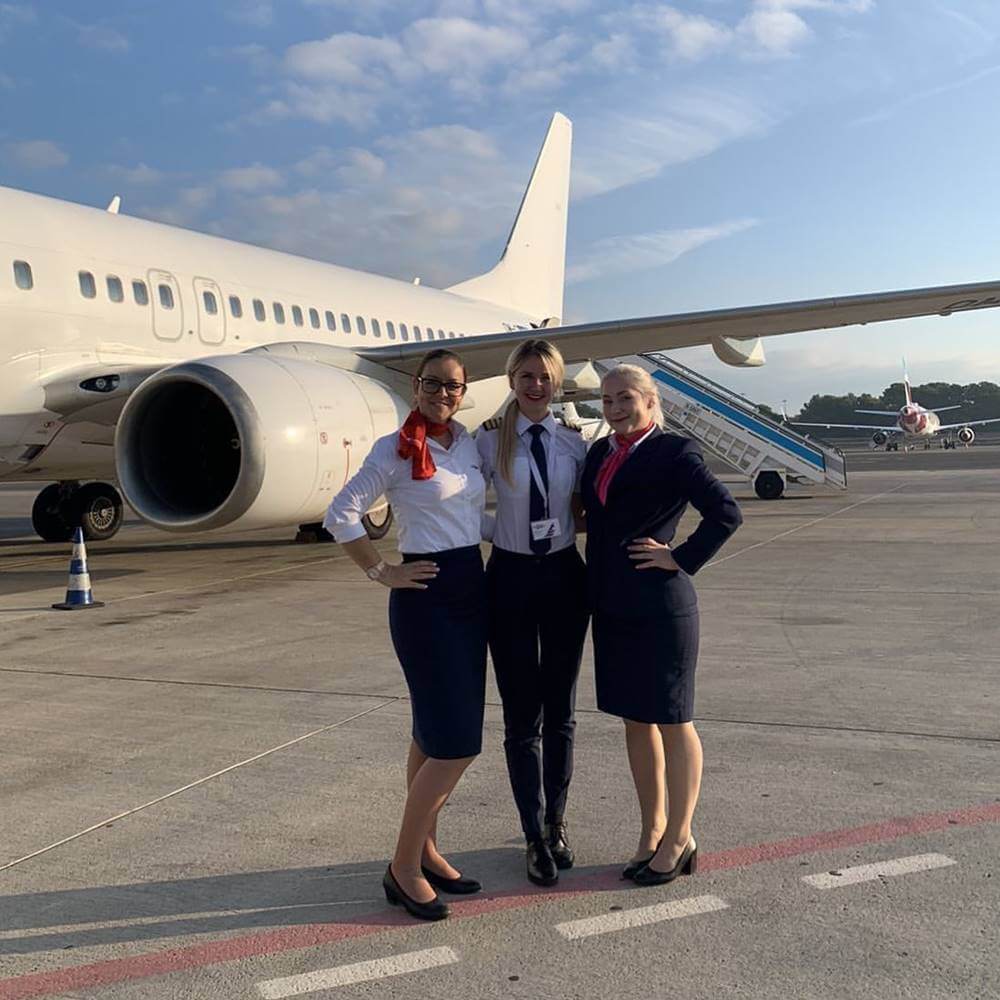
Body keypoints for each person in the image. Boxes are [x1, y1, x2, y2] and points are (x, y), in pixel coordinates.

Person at [323, 348, 487, 921]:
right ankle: (402, 867)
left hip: (472, 590)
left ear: (464, 392)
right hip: (427, 599)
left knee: (430, 735)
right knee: (458, 743)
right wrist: (381, 571)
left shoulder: (466, 445)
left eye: (453, 386)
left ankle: (427, 851)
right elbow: (340, 514)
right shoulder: (393, 448)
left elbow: (470, 517)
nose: (443, 394)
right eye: (433, 384)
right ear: (416, 386)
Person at [580, 363, 742, 886]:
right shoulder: (600, 454)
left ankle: (680, 835)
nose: (614, 408)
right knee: (635, 720)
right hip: (612, 605)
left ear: (650, 401)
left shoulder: (675, 452)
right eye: (607, 400)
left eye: (625, 398)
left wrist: (680, 557)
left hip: (660, 606)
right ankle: (652, 830)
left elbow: (725, 512)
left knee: (674, 720)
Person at [477, 339, 589, 887]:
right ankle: (531, 834)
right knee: (522, 715)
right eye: (526, 375)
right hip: (511, 578)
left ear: (557, 382)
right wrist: (498, 530)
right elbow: (458, 500)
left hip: (564, 577)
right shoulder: (488, 440)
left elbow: (587, 509)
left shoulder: (574, 442)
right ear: (511, 381)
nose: (535, 385)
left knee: (561, 710)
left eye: (545, 376)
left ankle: (556, 823)